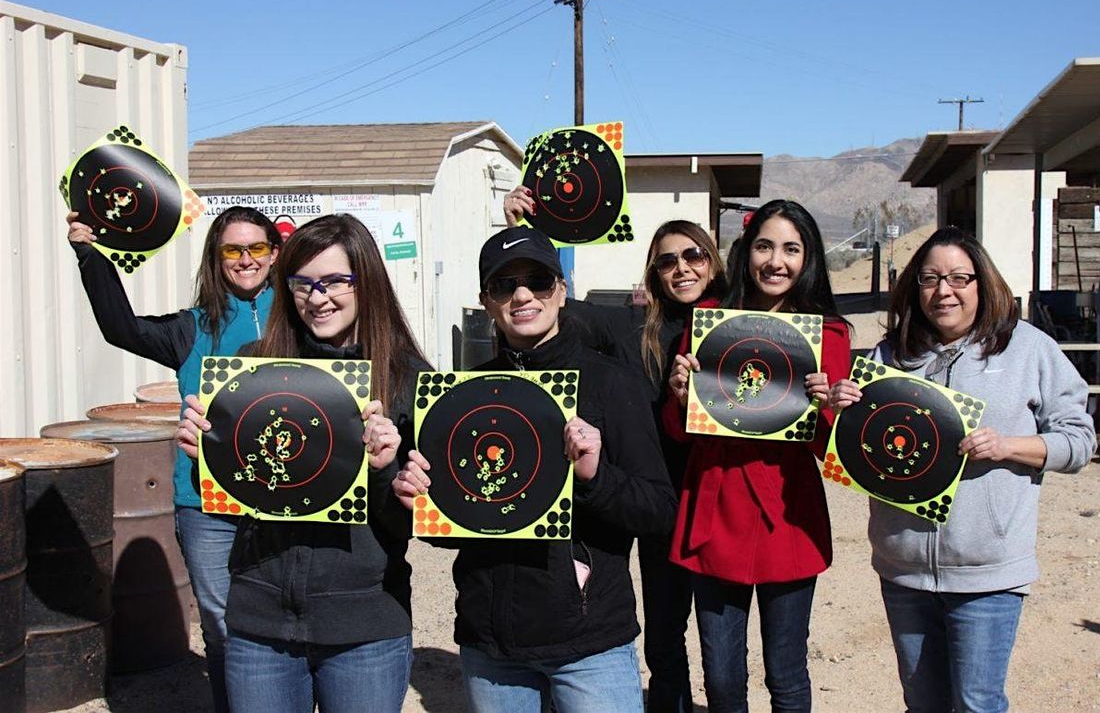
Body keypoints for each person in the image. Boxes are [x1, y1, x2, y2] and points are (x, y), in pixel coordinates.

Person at [393, 226, 678, 713]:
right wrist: (419, 496)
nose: (523, 295)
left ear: (561, 291)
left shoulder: (612, 383)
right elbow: (449, 528)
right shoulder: (462, 395)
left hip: (590, 646)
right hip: (494, 645)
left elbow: (659, 510)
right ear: (487, 301)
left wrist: (595, 478)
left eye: (538, 281)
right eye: (505, 285)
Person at [829, 226, 1095, 713]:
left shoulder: (1028, 349)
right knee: (922, 703)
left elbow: (1079, 441)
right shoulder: (891, 354)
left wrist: (1009, 446)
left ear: (982, 282)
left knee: (976, 703)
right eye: (930, 279)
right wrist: (844, 409)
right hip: (903, 568)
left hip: (987, 573)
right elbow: (867, 451)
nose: (943, 291)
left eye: (958, 278)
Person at [177, 214, 429, 712]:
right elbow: (237, 496)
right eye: (303, 283)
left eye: (336, 281)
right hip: (260, 620)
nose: (318, 298)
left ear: (367, 282)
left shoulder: (406, 379)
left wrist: (385, 471)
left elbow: (411, 524)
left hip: (365, 626)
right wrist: (204, 452)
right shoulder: (252, 367)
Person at [505, 186, 727, 711]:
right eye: (667, 260)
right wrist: (524, 231)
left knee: (723, 644)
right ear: (654, 274)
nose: (682, 268)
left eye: (693, 255)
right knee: (665, 635)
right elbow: (548, 302)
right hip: (659, 504)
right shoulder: (632, 329)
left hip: (722, 501)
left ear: (713, 264)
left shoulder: (742, 328)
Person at [67, 205, 281, 712]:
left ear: (274, 254)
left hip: (287, 495)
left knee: (285, 616)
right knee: (223, 622)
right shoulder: (190, 329)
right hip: (206, 501)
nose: (245, 259)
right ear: (216, 256)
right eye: (232, 249)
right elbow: (120, 327)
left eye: (256, 248)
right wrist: (89, 255)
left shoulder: (300, 316)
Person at [665, 199, 851, 713]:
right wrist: (680, 396)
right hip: (716, 506)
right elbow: (681, 433)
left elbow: (830, 450)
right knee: (722, 677)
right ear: (747, 252)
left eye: (792, 249)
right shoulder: (707, 320)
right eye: (765, 246)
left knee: (787, 673)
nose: (776, 261)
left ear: (808, 258)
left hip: (787, 514)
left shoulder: (829, 334)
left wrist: (826, 407)